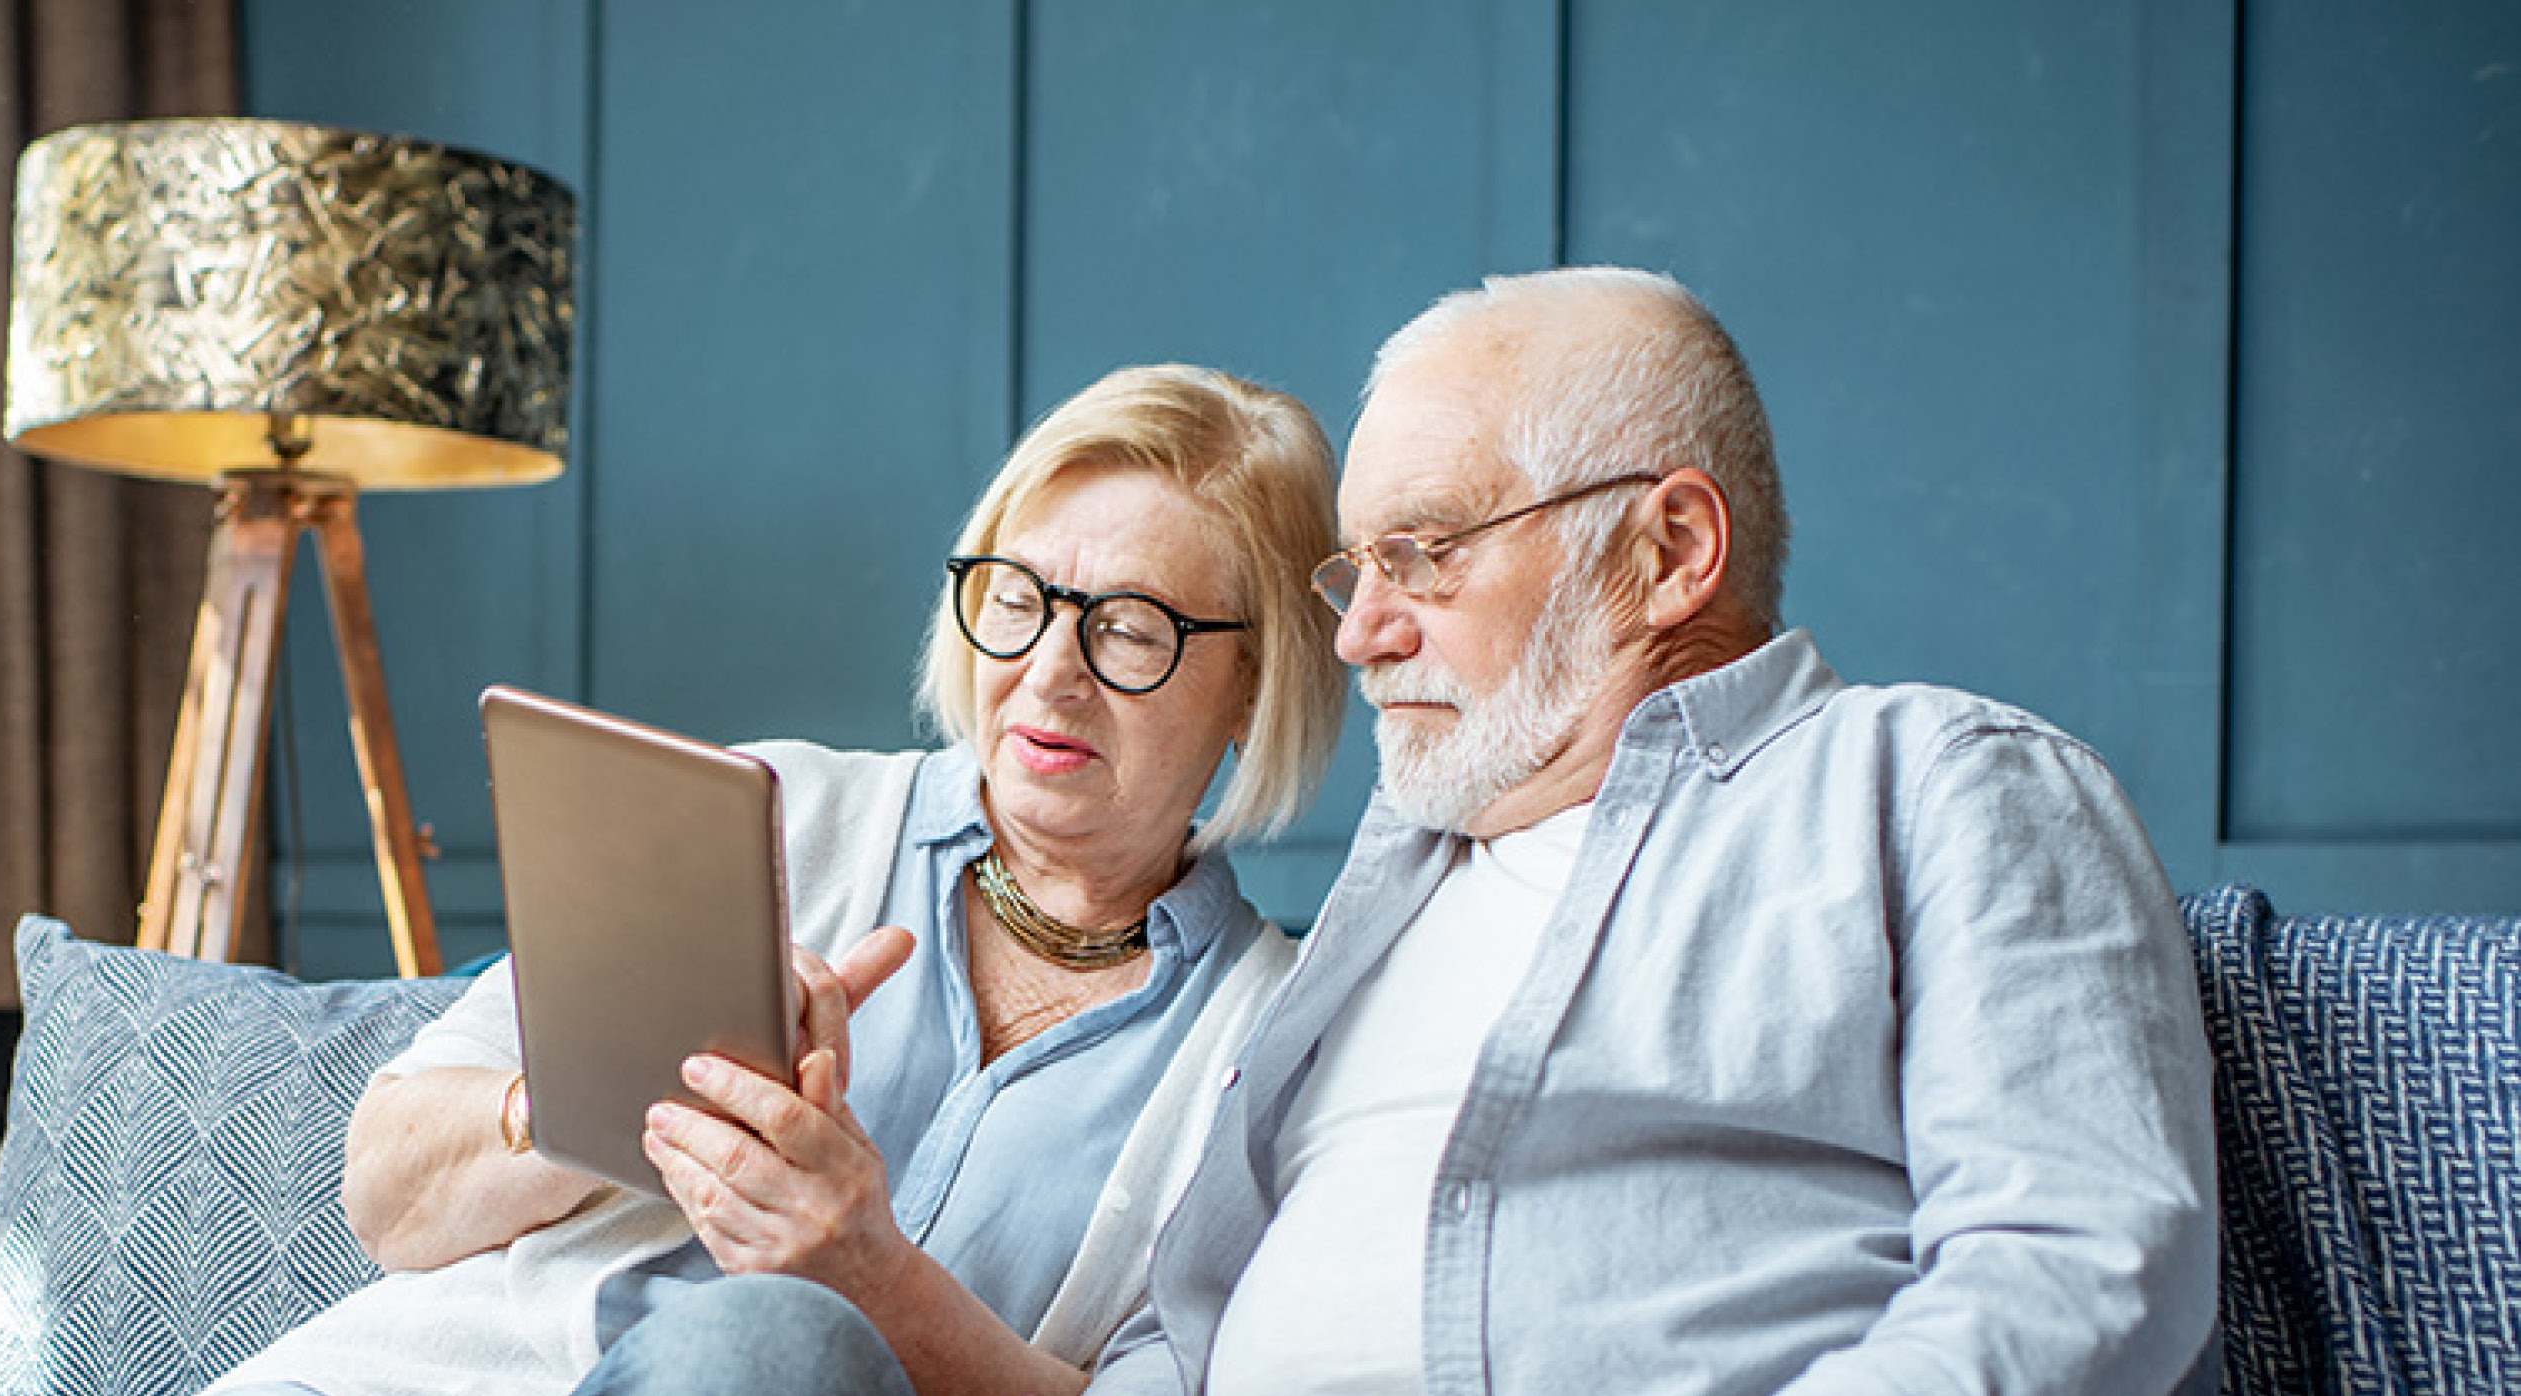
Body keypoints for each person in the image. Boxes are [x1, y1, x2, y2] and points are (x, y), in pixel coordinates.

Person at [585, 266, 2222, 1396]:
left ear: (1665, 550)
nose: (1361, 632)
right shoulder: (1373, 918)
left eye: (1422, 555)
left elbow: (2081, 1267)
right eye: (1348, 573)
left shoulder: (1926, 787)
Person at [200, 360, 1347, 1396]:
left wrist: (870, 1277)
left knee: (777, 1346)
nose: (1048, 674)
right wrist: (629, 1080)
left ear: (1257, 684)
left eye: (1133, 631)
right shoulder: (776, 814)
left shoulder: (1275, 1047)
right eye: (1017, 598)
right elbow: (386, 1189)